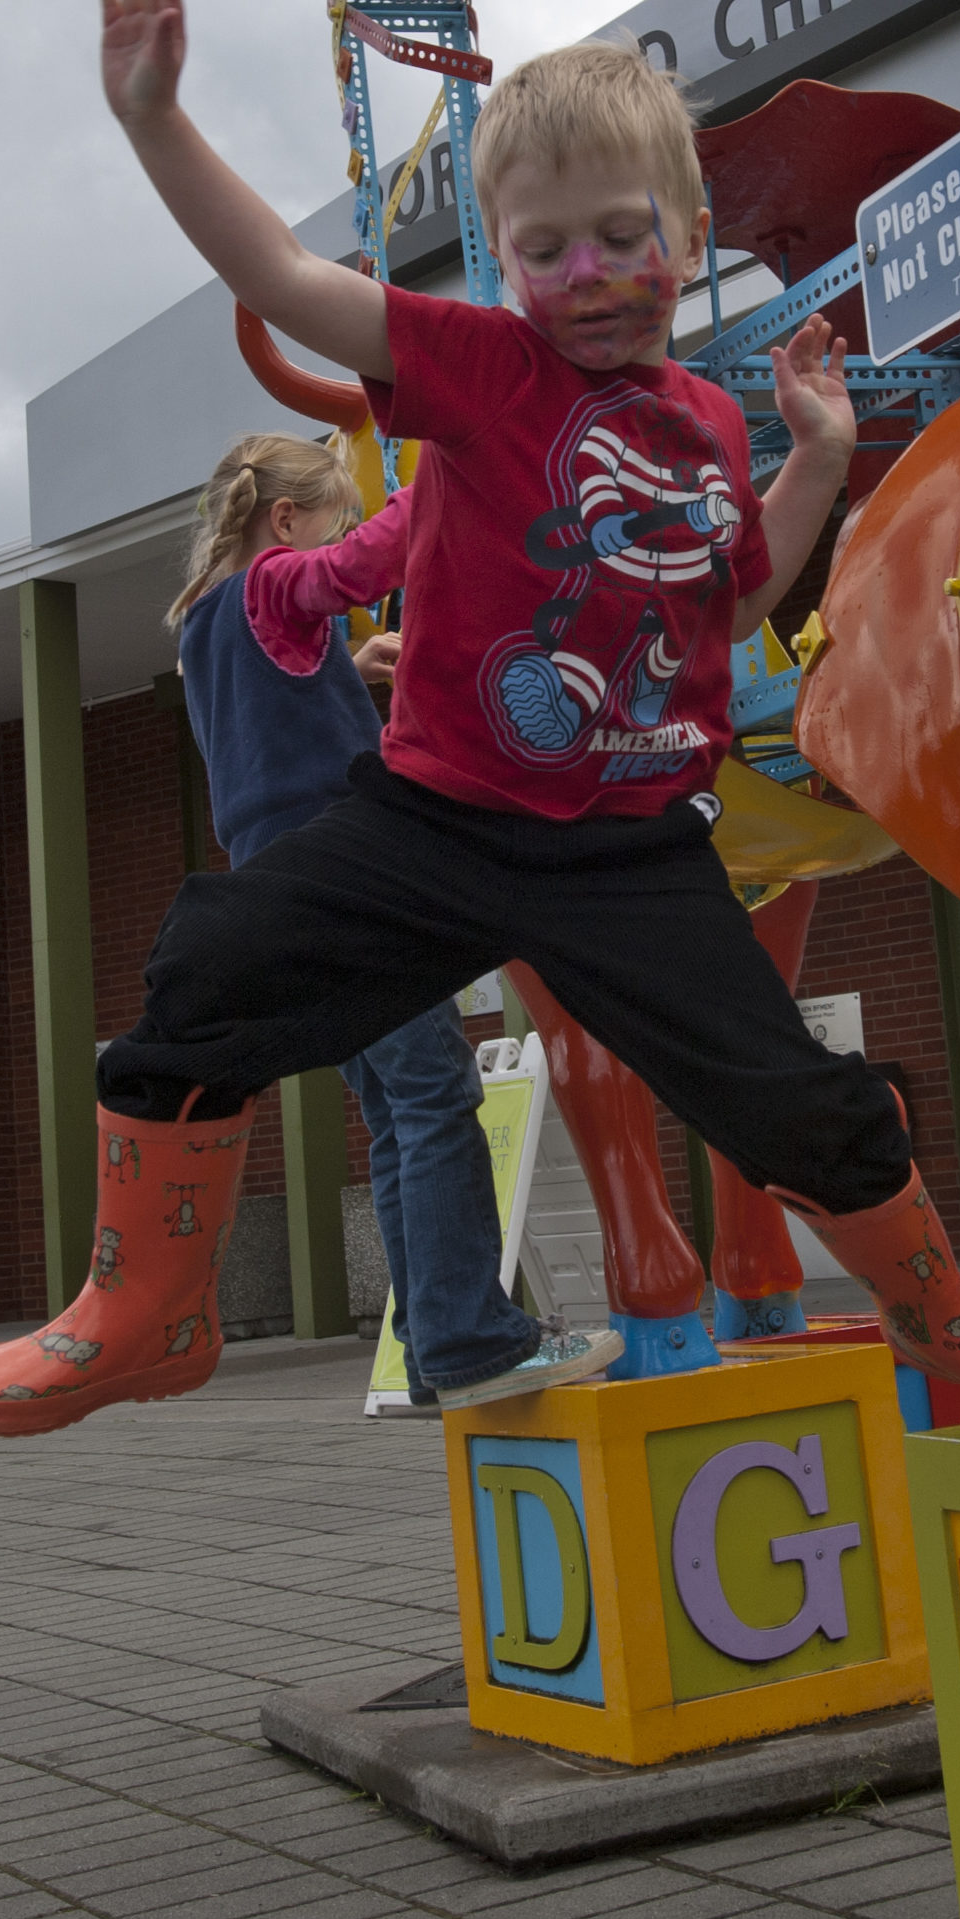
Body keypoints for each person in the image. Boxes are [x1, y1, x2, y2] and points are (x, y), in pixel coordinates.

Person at [0, 0, 960, 1443]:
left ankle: (948, 1315)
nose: (589, 276)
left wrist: (815, 456)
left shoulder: (705, 423)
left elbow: (737, 598)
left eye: (622, 235)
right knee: (209, 966)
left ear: (689, 235)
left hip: (632, 850)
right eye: (546, 248)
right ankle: (143, 1308)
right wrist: (157, 120)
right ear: (500, 260)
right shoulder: (481, 370)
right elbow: (285, 281)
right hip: (437, 820)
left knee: (792, 1097)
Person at [170, 438, 598, 1412]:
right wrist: (461, 459)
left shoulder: (203, 617)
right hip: (344, 869)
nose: (338, 543)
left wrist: (349, 664)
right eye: (332, 517)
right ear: (283, 524)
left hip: (273, 882)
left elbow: (271, 711)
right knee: (437, 1093)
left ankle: (433, 1340)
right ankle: (469, 1339)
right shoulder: (278, 582)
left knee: (402, 1105)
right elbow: (363, 564)